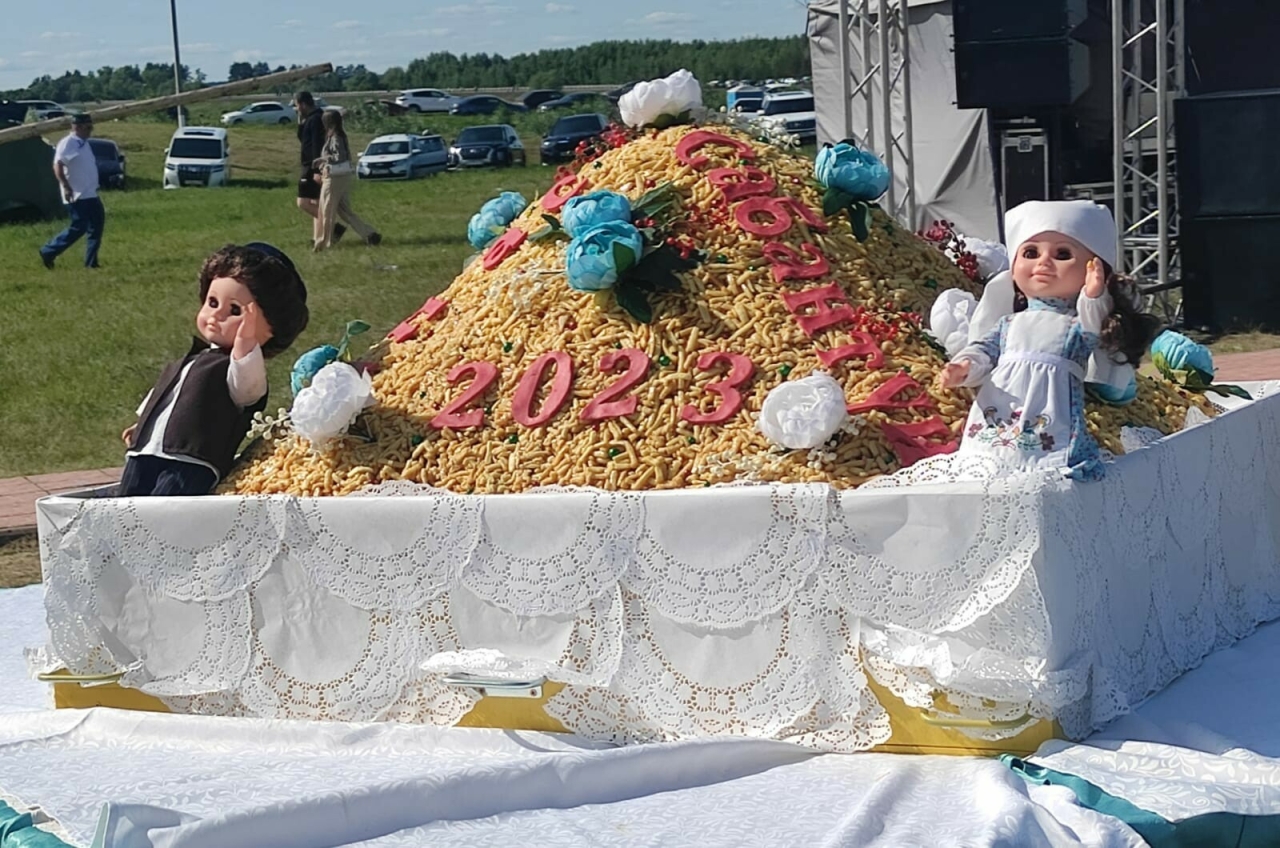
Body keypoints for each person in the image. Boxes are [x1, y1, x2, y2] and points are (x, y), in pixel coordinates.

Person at [937, 201, 1160, 481]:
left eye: (1062, 254)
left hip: (1053, 406)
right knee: (991, 457)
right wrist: (965, 366)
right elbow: (985, 348)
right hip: (1004, 400)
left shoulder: (1076, 326)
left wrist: (1093, 296)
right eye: (1030, 252)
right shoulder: (1008, 323)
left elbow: (1093, 326)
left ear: (1094, 269)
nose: (1043, 262)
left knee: (1051, 456)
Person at [118, 243, 310, 496]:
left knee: (163, 508)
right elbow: (163, 397)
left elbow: (248, 386)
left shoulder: (237, 371)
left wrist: (245, 342)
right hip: (145, 449)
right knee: (125, 500)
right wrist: (142, 424)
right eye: (212, 302)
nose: (216, 315)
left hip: (192, 459)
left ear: (271, 330)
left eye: (235, 311)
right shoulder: (191, 359)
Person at [39, 113, 104, 269]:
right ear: (78, 127)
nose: (91, 130)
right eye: (88, 127)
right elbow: (58, 165)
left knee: (96, 226)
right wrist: (66, 187)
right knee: (79, 227)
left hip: (90, 193)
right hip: (76, 194)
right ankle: (48, 251)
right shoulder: (68, 143)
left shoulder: (84, 143)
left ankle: (91, 263)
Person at [313, 110, 381, 250]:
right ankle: (369, 233)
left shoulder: (336, 137)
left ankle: (324, 243)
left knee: (327, 210)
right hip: (342, 177)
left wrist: (323, 160)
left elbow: (339, 157)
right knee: (344, 211)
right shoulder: (338, 135)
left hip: (334, 177)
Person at [292, 91, 344, 246]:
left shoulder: (315, 119)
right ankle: (318, 238)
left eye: (296, 106)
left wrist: (317, 170)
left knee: (303, 202)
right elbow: (303, 139)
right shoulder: (310, 119)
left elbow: (317, 145)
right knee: (316, 201)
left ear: (302, 104)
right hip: (310, 165)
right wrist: (301, 122)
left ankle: (335, 228)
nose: (296, 109)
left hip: (311, 166)